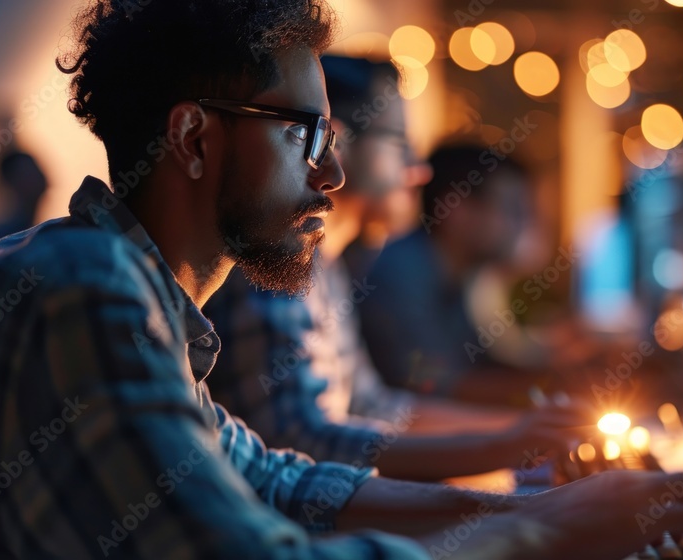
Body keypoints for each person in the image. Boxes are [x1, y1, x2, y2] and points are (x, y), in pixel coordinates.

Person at [0, 2, 683, 558]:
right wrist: (541, 534)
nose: (334, 173)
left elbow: (281, 480)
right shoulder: (77, 290)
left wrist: (525, 509)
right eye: (308, 136)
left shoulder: (126, 290)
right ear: (192, 140)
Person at [203, 56, 581, 481]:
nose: (420, 172)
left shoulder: (327, 264)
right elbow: (300, 439)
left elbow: (375, 406)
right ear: (335, 142)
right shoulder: (276, 264)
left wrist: (522, 434)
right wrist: (504, 449)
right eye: (401, 144)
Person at [360, 145, 566, 405]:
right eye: (513, 210)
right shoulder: (400, 273)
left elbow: (484, 364)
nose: (525, 225)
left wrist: (563, 367)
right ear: (457, 211)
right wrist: (553, 385)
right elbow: (432, 385)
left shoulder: (467, 276)